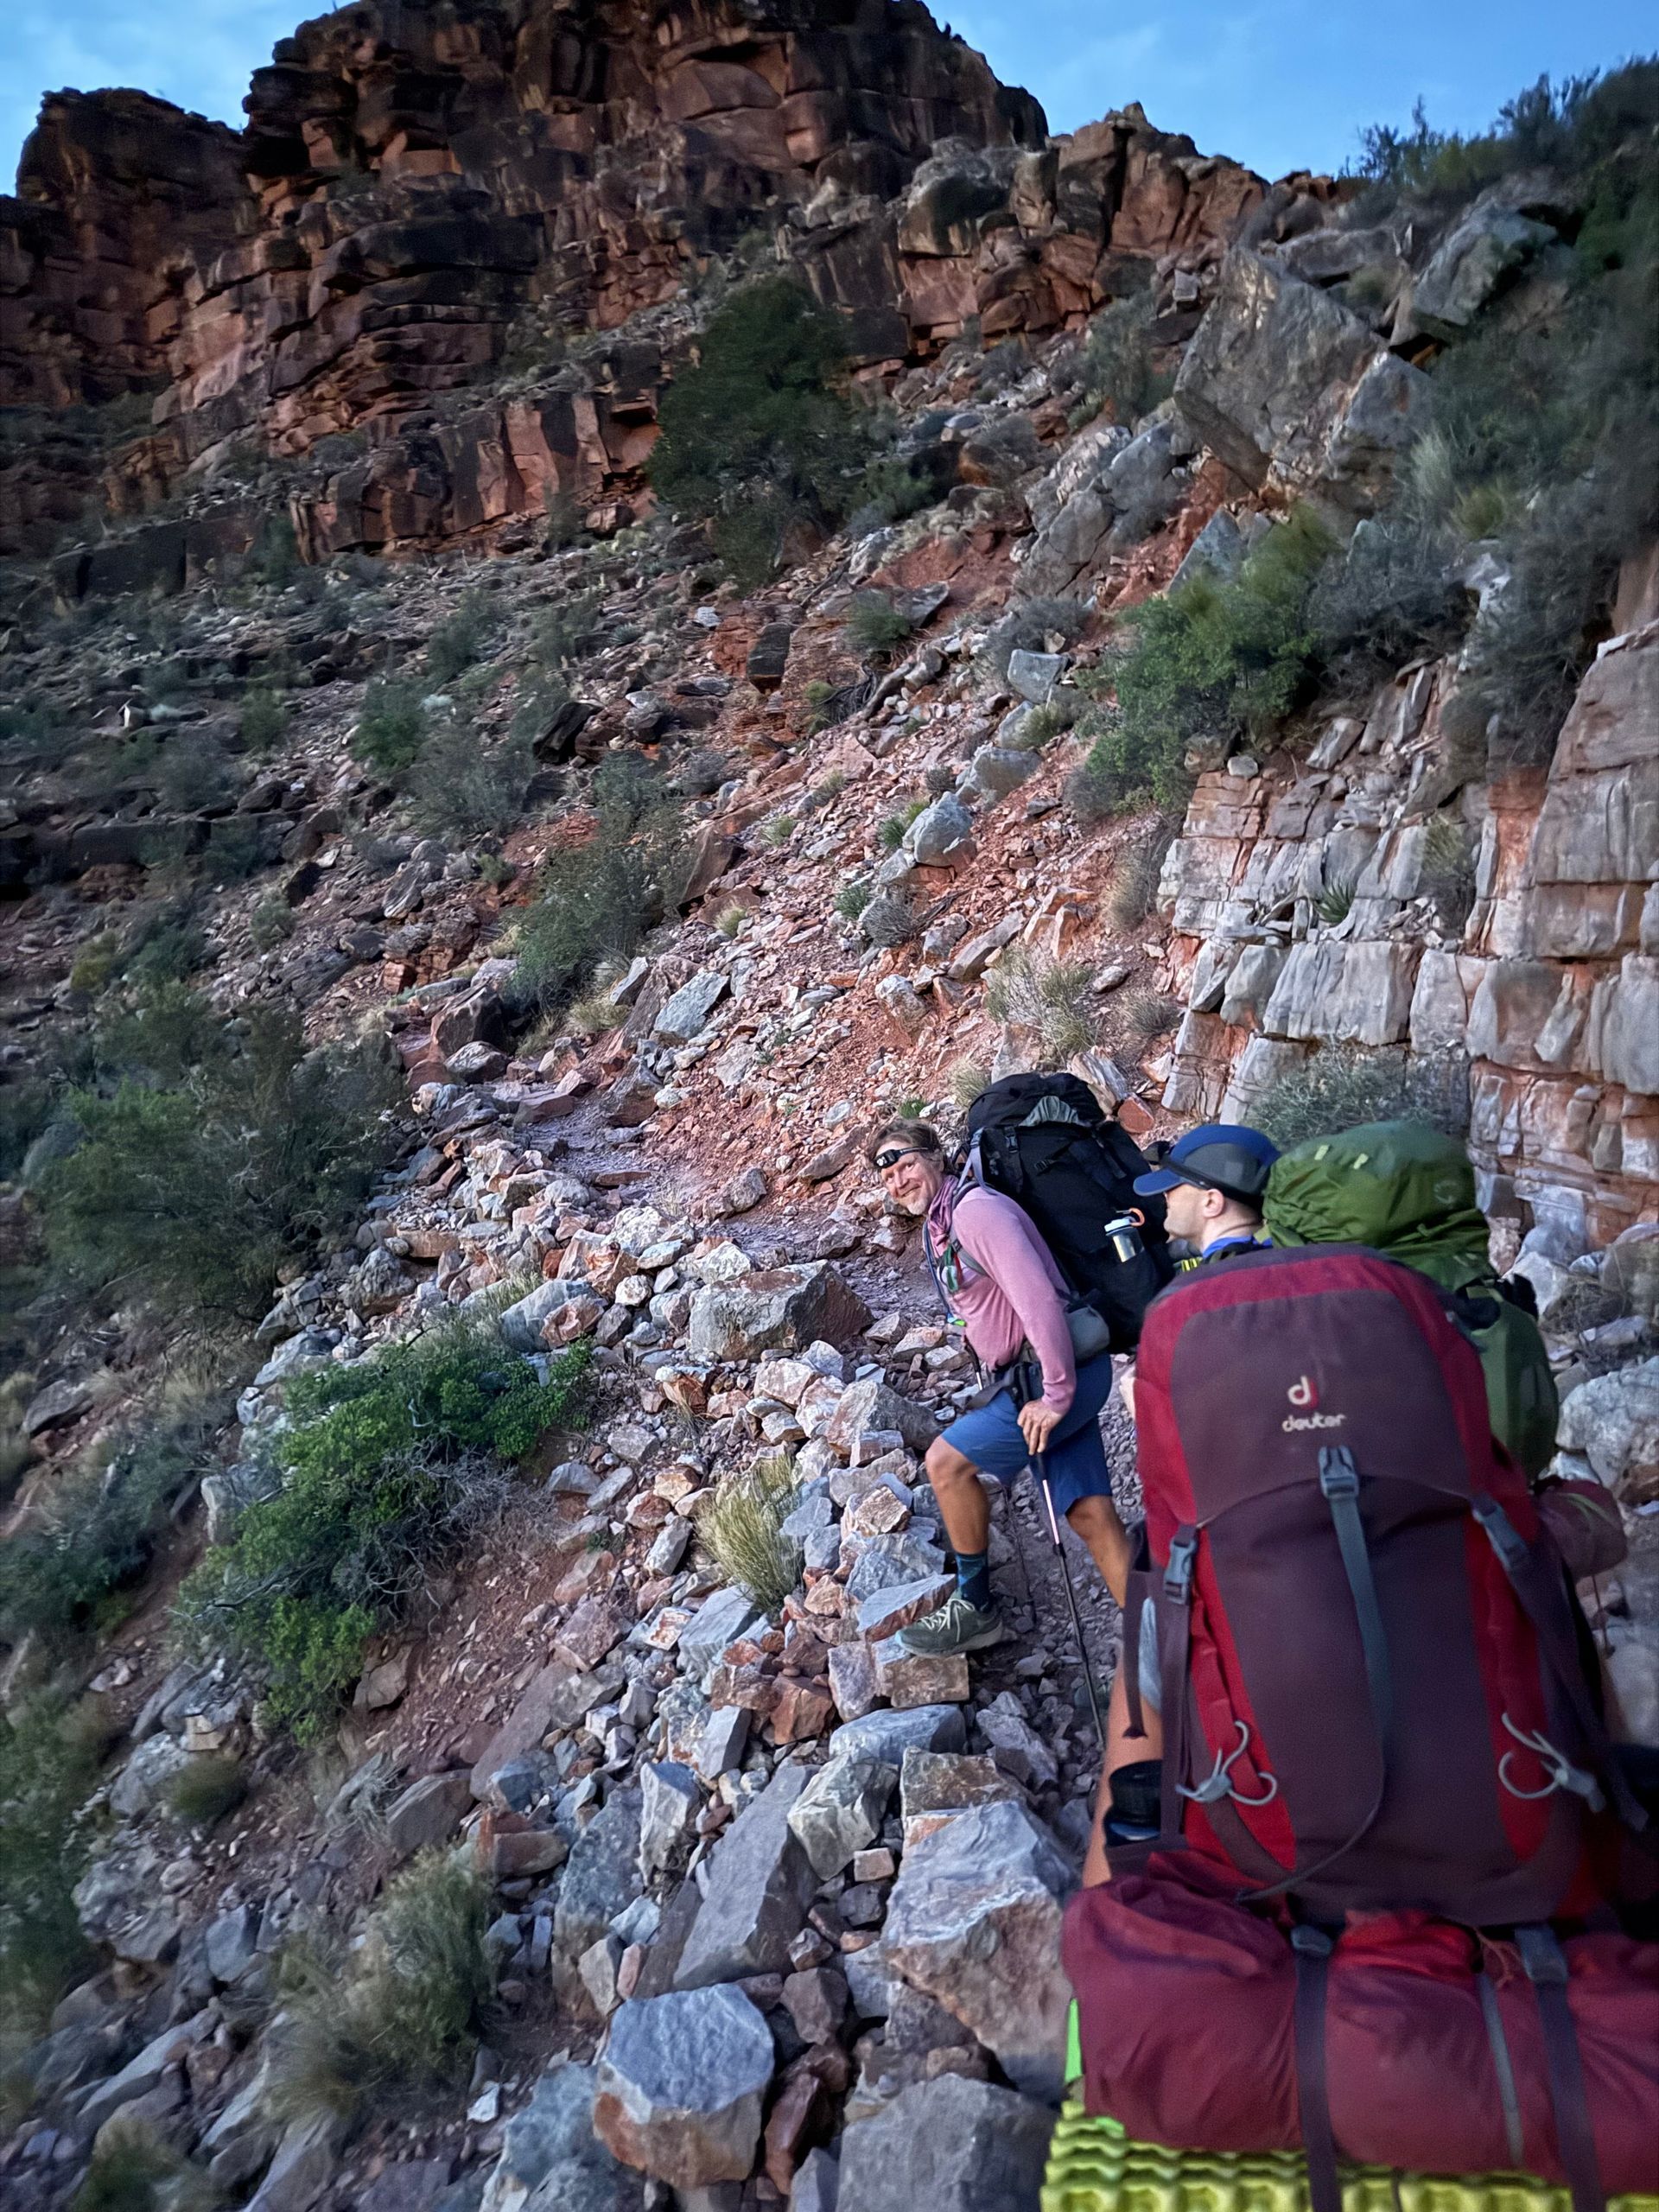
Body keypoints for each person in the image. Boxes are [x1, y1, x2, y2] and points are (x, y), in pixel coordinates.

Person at [1081, 1120, 1280, 1885]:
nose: (1162, 1207)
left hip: (1226, 1540)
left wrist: (1139, 1399)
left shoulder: (1191, 1304)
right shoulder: (1306, 1273)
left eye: (1173, 1193)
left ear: (1214, 1201)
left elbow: (1174, 1455)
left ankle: (1113, 1897)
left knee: (1140, 1688)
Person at [868, 1117, 1134, 1657]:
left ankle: (976, 1607)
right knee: (1090, 1514)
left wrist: (1055, 1396)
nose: (898, 1181)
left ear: (936, 1157)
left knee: (946, 1464)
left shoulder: (976, 1212)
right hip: (1037, 1377)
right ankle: (1168, 1649)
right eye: (888, 1174)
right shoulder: (939, 1225)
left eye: (906, 1163)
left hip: (1056, 1377)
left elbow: (1037, 1300)